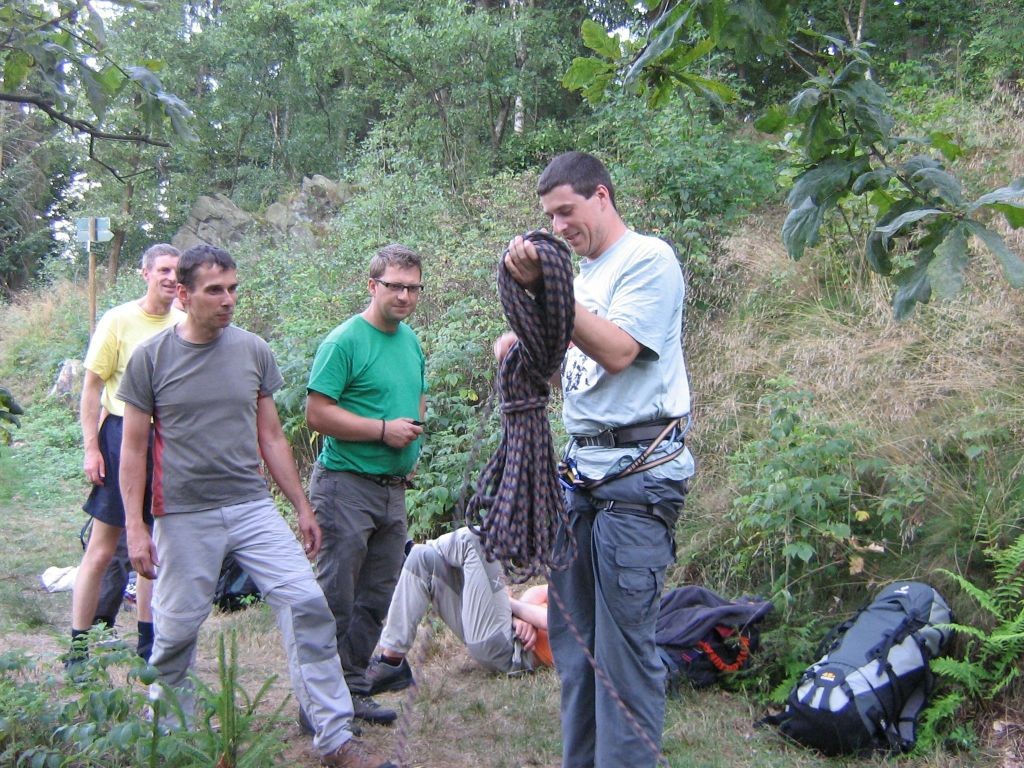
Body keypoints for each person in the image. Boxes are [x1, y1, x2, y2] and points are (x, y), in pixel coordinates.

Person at [119, 244, 395, 768]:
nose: (228, 301)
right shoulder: (150, 359)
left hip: (250, 505)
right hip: (182, 513)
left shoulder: (252, 350)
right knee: (176, 630)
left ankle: (334, 737)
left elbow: (271, 438)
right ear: (183, 294)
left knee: (305, 603)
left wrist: (302, 506)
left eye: (233, 289)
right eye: (215, 291)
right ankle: (173, 741)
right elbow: (133, 450)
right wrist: (135, 527)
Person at [496, 151, 695, 768]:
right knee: (575, 648)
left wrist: (550, 289)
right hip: (580, 480)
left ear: (602, 196)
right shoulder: (581, 279)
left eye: (567, 212)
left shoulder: (648, 260)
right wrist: (523, 341)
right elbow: (573, 370)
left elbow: (617, 351)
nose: (558, 227)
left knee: (624, 657)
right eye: (549, 218)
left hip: (637, 482)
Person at [305, 244, 427, 725]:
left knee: (377, 597)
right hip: (344, 485)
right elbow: (317, 413)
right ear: (372, 285)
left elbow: (415, 397)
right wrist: (382, 431)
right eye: (394, 285)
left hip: (391, 488)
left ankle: (354, 691)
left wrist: (411, 437)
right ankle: (319, 705)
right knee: (337, 598)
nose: (404, 296)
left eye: (412, 287)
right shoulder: (344, 342)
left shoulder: (410, 340)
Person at [69, 243, 183, 665]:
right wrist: (91, 448)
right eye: (164, 270)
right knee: (104, 545)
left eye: (177, 271)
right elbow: (93, 388)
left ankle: (148, 644)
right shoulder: (119, 319)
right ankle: (78, 648)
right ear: (146, 273)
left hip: (167, 441)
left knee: (155, 547)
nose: (172, 278)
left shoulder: (185, 323)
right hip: (121, 437)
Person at [365, 527, 551, 695]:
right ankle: (391, 663)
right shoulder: (576, 585)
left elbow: (555, 621)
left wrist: (510, 605)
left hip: (514, 651)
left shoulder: (580, 603)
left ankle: (410, 549)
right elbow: (538, 592)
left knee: (479, 539)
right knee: (422, 558)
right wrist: (521, 618)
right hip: (504, 632)